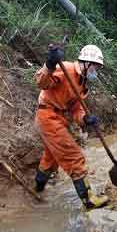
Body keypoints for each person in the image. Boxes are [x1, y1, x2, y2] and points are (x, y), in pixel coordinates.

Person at [34, 44, 109, 210]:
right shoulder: (65, 68)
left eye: (98, 67)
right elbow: (41, 82)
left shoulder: (83, 83)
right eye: (95, 66)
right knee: (74, 157)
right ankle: (88, 200)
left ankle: (37, 190)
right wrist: (50, 64)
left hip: (59, 118)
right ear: (86, 63)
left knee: (50, 159)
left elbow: (76, 108)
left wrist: (85, 119)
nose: (96, 70)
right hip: (47, 116)